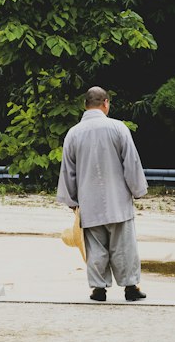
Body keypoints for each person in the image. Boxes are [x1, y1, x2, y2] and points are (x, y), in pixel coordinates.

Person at [57, 86, 148, 302]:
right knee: (124, 246)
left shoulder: (73, 133)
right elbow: (131, 163)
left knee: (95, 246)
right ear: (105, 103)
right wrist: (137, 190)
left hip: (89, 202)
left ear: (85, 105)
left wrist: (71, 201)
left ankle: (99, 289)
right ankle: (130, 288)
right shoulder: (118, 128)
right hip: (118, 201)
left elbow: (68, 170)